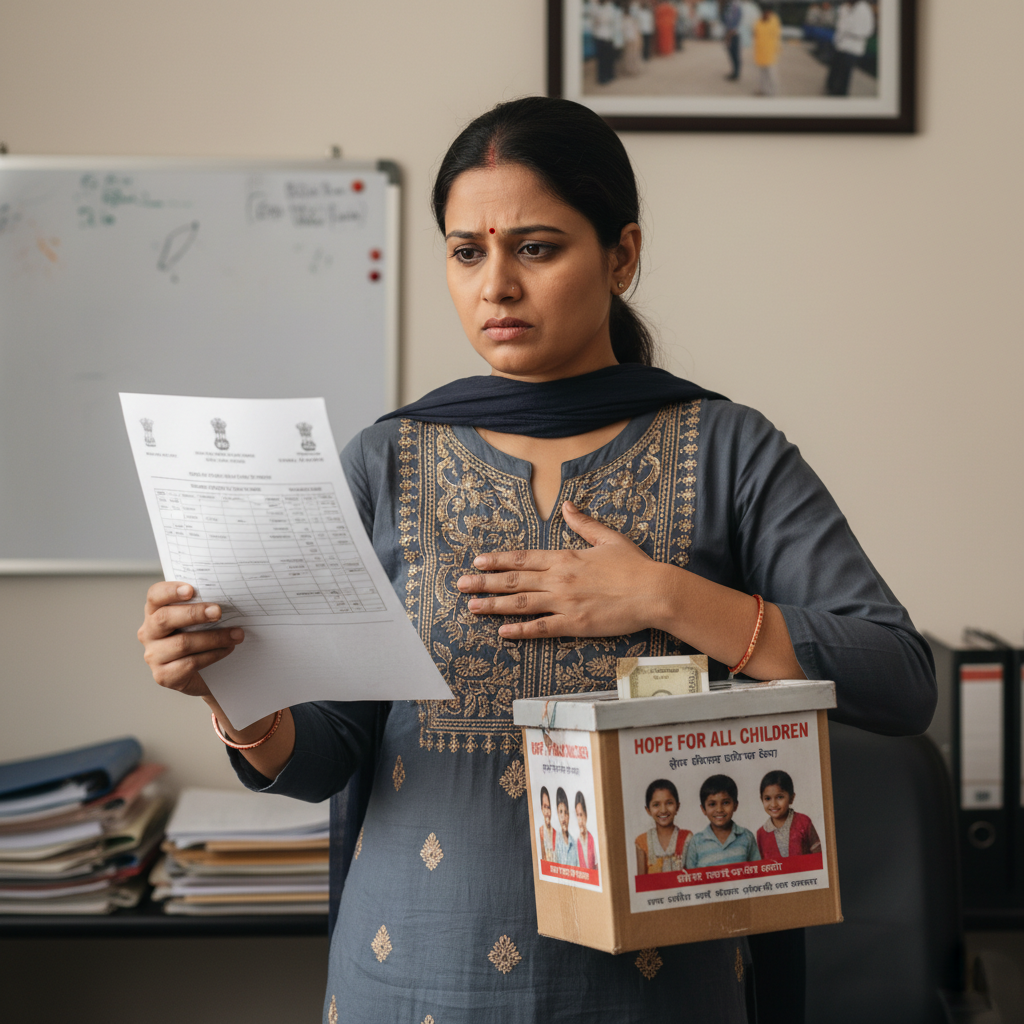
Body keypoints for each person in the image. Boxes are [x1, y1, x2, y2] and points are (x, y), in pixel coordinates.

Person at [138, 96, 935, 1022]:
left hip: (658, 994)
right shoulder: (385, 461)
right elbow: (328, 754)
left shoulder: (729, 450)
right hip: (413, 981)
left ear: (622, 256)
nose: (496, 287)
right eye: (467, 252)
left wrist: (667, 597)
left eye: (537, 247)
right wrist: (233, 699)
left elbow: (899, 676)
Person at [685, 774, 761, 868]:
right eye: (712, 804)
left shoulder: (747, 837)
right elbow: (691, 878)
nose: (719, 810)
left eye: (725, 803)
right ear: (703, 809)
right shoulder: (696, 842)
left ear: (735, 805)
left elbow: (758, 872)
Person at [756, 770, 822, 860]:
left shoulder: (804, 822)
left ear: (791, 798)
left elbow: (819, 858)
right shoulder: (761, 834)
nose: (773, 804)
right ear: (762, 799)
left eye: (780, 797)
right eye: (767, 798)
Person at [635, 779, 692, 873]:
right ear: (648, 810)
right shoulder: (642, 841)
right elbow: (642, 883)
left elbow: (692, 877)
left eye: (669, 803)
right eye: (656, 805)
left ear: (677, 806)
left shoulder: (687, 838)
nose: (663, 810)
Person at [827, 0, 875, 95]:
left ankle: (840, 94)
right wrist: (838, 38)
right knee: (835, 68)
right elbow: (840, 24)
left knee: (845, 73)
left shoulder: (864, 9)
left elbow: (869, 30)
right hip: (841, 44)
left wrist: (852, 32)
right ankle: (830, 88)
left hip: (853, 46)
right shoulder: (844, 7)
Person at [752, 3, 782, 96]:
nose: (766, 14)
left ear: (770, 12)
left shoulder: (774, 20)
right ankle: (762, 90)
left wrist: (776, 49)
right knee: (762, 73)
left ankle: (773, 93)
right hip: (760, 51)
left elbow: (777, 35)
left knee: (771, 74)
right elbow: (755, 31)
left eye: (767, 12)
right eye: (764, 12)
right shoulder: (759, 20)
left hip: (770, 51)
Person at [554, 786, 578, 865]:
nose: (563, 816)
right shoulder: (555, 840)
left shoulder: (574, 844)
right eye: (560, 812)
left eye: (566, 812)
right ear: (557, 814)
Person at [575, 791, 599, 870]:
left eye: (581, 815)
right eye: (577, 815)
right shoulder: (576, 842)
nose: (580, 820)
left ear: (586, 815)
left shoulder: (592, 839)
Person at [722, 0, 743, 79]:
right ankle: (734, 71)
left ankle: (736, 73)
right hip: (728, 32)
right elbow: (726, 18)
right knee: (730, 52)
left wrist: (732, 29)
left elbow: (737, 18)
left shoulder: (736, 5)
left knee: (735, 53)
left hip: (734, 33)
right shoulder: (728, 5)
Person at [537, 785, 556, 861]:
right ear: (541, 808)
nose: (547, 812)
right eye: (545, 807)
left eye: (549, 807)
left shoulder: (556, 834)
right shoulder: (540, 831)